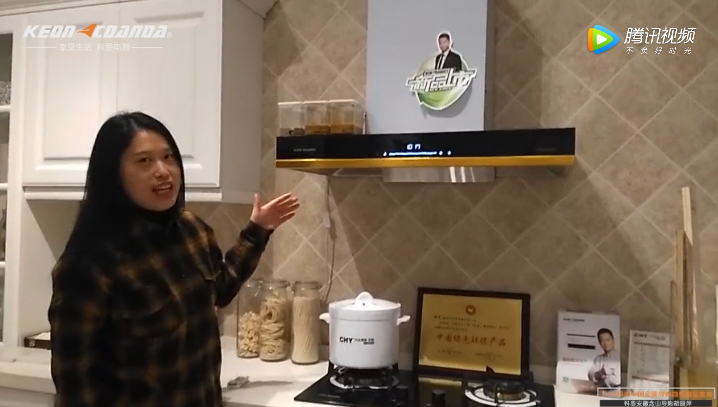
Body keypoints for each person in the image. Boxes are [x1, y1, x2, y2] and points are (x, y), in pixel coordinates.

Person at [48, 111, 299, 407]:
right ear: (113, 175)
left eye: (168, 157)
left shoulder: (191, 229)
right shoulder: (90, 264)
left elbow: (220, 289)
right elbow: (74, 386)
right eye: (144, 161)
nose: (163, 171)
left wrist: (257, 230)